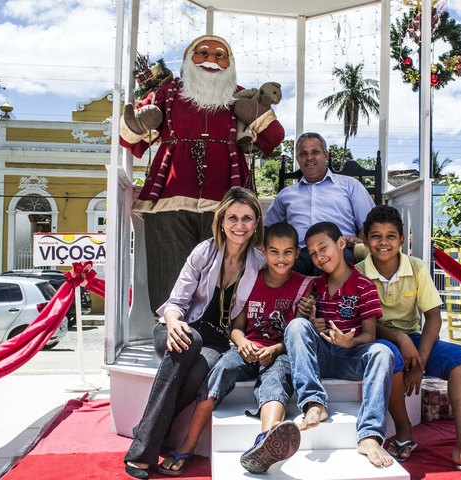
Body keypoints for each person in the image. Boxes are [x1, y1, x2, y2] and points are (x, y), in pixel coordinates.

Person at [120, 34, 285, 312]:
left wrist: (254, 113)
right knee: (170, 269)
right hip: (169, 200)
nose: (211, 59)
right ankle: (169, 330)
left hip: (227, 204)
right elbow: (130, 140)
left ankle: (222, 331)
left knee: (225, 271)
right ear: (187, 60)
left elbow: (274, 137)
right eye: (203, 53)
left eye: (220, 55)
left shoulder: (239, 95)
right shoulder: (168, 92)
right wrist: (140, 123)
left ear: (230, 63)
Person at [356, 205, 461, 480]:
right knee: (390, 355)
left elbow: (433, 317)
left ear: (402, 240)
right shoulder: (357, 272)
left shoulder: (416, 267)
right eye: (376, 236)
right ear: (365, 239)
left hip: (414, 337)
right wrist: (400, 338)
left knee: (460, 358)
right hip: (380, 338)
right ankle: (404, 430)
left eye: (391, 236)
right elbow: (365, 323)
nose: (383, 243)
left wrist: (419, 360)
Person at [124, 187, 266, 480]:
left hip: (215, 340)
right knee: (191, 342)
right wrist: (174, 323)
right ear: (222, 221)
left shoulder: (257, 262)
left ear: (256, 223)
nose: (239, 225)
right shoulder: (205, 250)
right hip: (176, 327)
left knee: (197, 370)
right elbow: (175, 303)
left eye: (247, 218)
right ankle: (142, 450)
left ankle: (146, 433)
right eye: (233, 218)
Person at [158, 222, 312, 475]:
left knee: (275, 382)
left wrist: (275, 349)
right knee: (219, 372)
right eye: (274, 251)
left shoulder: (304, 286)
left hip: (279, 353)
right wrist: (242, 343)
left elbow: (298, 335)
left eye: (288, 252)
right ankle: (189, 442)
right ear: (264, 251)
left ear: (297, 253)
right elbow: (236, 327)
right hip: (245, 348)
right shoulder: (251, 281)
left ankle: (266, 440)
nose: (281, 258)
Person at [283, 221, 395, 467]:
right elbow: (302, 334)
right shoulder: (315, 285)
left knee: (383, 352)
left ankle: (369, 435)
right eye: (312, 253)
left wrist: (350, 341)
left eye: (323, 248)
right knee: (296, 326)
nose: (319, 257)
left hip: (350, 358)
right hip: (321, 358)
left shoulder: (365, 286)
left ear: (341, 244)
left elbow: (370, 336)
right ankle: (314, 402)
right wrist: (310, 322)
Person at [264, 132, 374, 275]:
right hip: (300, 253)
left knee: (336, 263)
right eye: (303, 154)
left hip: (339, 249)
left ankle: (327, 298)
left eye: (315, 152)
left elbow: (370, 224)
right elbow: (268, 228)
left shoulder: (350, 186)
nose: (309, 158)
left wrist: (358, 240)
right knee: (283, 267)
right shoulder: (286, 195)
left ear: (325, 155)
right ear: (297, 159)